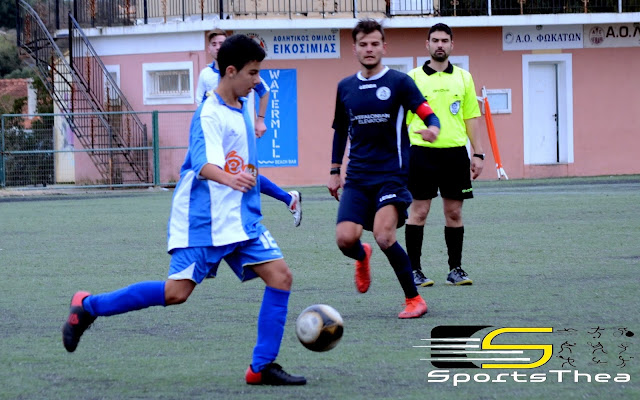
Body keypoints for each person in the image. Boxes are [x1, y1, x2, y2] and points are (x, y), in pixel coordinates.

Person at [62, 34, 306, 386]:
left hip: (241, 219)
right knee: (175, 293)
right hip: (202, 220)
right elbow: (204, 165)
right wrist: (232, 179)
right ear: (231, 71)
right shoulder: (209, 113)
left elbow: (246, 165)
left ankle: (261, 367)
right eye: (253, 73)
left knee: (281, 277)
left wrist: (274, 193)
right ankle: (88, 307)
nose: (258, 81)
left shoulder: (244, 105)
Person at [328, 19, 441, 319]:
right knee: (345, 239)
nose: (369, 49)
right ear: (354, 48)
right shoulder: (345, 87)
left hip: (392, 175)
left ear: (384, 47)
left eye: (375, 44)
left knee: (384, 235)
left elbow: (428, 113)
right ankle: (361, 255)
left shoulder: (399, 82)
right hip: (357, 177)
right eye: (363, 44)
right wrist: (334, 170)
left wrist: (433, 128)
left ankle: (414, 300)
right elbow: (340, 131)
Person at [404, 23, 484, 287]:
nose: (440, 45)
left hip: (455, 155)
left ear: (452, 45)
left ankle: (455, 269)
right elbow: (403, 120)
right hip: (422, 153)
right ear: (427, 44)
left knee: (454, 213)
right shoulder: (413, 78)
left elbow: (471, 117)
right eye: (435, 40)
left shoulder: (464, 77)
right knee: (419, 212)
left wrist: (478, 153)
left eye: (444, 41)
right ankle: (414, 271)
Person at [196, 29, 302, 227]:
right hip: (216, 130)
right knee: (229, 172)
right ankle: (287, 199)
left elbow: (264, 91)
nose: (218, 47)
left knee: (243, 171)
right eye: (214, 44)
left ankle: (279, 202)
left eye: (221, 43)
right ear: (209, 49)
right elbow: (199, 103)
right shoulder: (206, 77)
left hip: (238, 127)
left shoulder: (243, 72)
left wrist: (260, 120)